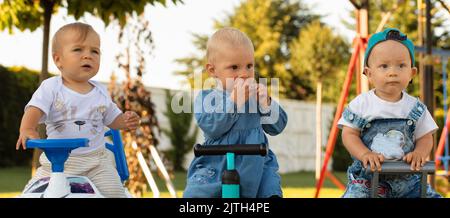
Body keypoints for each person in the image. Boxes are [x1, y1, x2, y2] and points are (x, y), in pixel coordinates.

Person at [16, 22, 140, 198]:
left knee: (114, 192)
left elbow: (112, 119)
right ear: (58, 60)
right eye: (78, 50)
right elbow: (35, 108)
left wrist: (125, 121)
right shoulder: (51, 87)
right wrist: (28, 128)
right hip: (56, 163)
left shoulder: (100, 91)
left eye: (94, 51)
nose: (87, 56)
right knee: (31, 193)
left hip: (96, 162)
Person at [183, 27, 288, 198]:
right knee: (196, 195)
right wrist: (233, 102)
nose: (244, 74)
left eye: (249, 66)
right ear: (212, 70)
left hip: (256, 165)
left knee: (270, 192)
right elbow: (212, 127)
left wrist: (266, 103)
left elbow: (278, 127)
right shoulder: (207, 97)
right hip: (217, 163)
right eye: (234, 67)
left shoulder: (255, 98)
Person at [338, 28, 441, 198]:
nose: (392, 72)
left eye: (401, 65)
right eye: (384, 66)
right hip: (367, 181)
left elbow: (425, 136)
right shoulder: (362, 104)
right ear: (369, 73)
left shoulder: (416, 107)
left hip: (409, 181)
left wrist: (420, 153)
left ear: (412, 73)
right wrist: (365, 154)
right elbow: (349, 134)